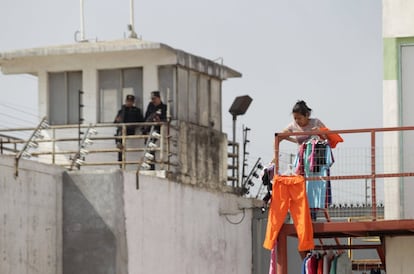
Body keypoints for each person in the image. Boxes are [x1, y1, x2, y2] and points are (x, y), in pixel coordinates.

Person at [114, 94, 144, 162]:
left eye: (130, 101)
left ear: (133, 102)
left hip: (130, 129)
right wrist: (117, 120)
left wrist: (134, 124)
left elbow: (141, 121)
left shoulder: (136, 110)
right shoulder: (122, 110)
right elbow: (115, 122)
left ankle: (118, 142)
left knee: (120, 135)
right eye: (128, 101)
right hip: (121, 131)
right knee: (119, 134)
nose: (129, 102)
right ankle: (120, 160)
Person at [142, 91, 167, 169]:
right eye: (152, 99)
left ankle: (151, 166)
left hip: (157, 129)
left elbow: (165, 120)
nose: (153, 101)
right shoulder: (151, 106)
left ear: (159, 98)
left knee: (152, 145)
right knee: (148, 147)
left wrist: (159, 120)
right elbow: (146, 117)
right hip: (149, 129)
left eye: (154, 99)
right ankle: (149, 165)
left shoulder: (164, 107)